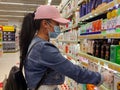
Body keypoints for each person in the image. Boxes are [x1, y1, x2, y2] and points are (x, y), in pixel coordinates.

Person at [19, 5, 113, 90]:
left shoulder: (35, 42)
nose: (59, 28)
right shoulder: (43, 48)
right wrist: (101, 77)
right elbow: (74, 71)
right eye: (57, 24)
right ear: (45, 24)